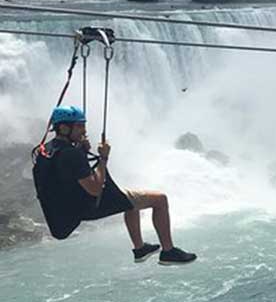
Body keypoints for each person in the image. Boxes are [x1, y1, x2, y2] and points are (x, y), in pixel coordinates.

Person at [31, 106, 196, 264]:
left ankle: (140, 249)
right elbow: (95, 190)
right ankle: (168, 252)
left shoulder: (45, 150)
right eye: (80, 126)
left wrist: (82, 152)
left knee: (129, 201)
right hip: (87, 205)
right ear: (64, 129)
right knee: (160, 200)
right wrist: (103, 158)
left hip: (64, 209)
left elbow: (66, 175)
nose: (84, 131)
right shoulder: (71, 155)